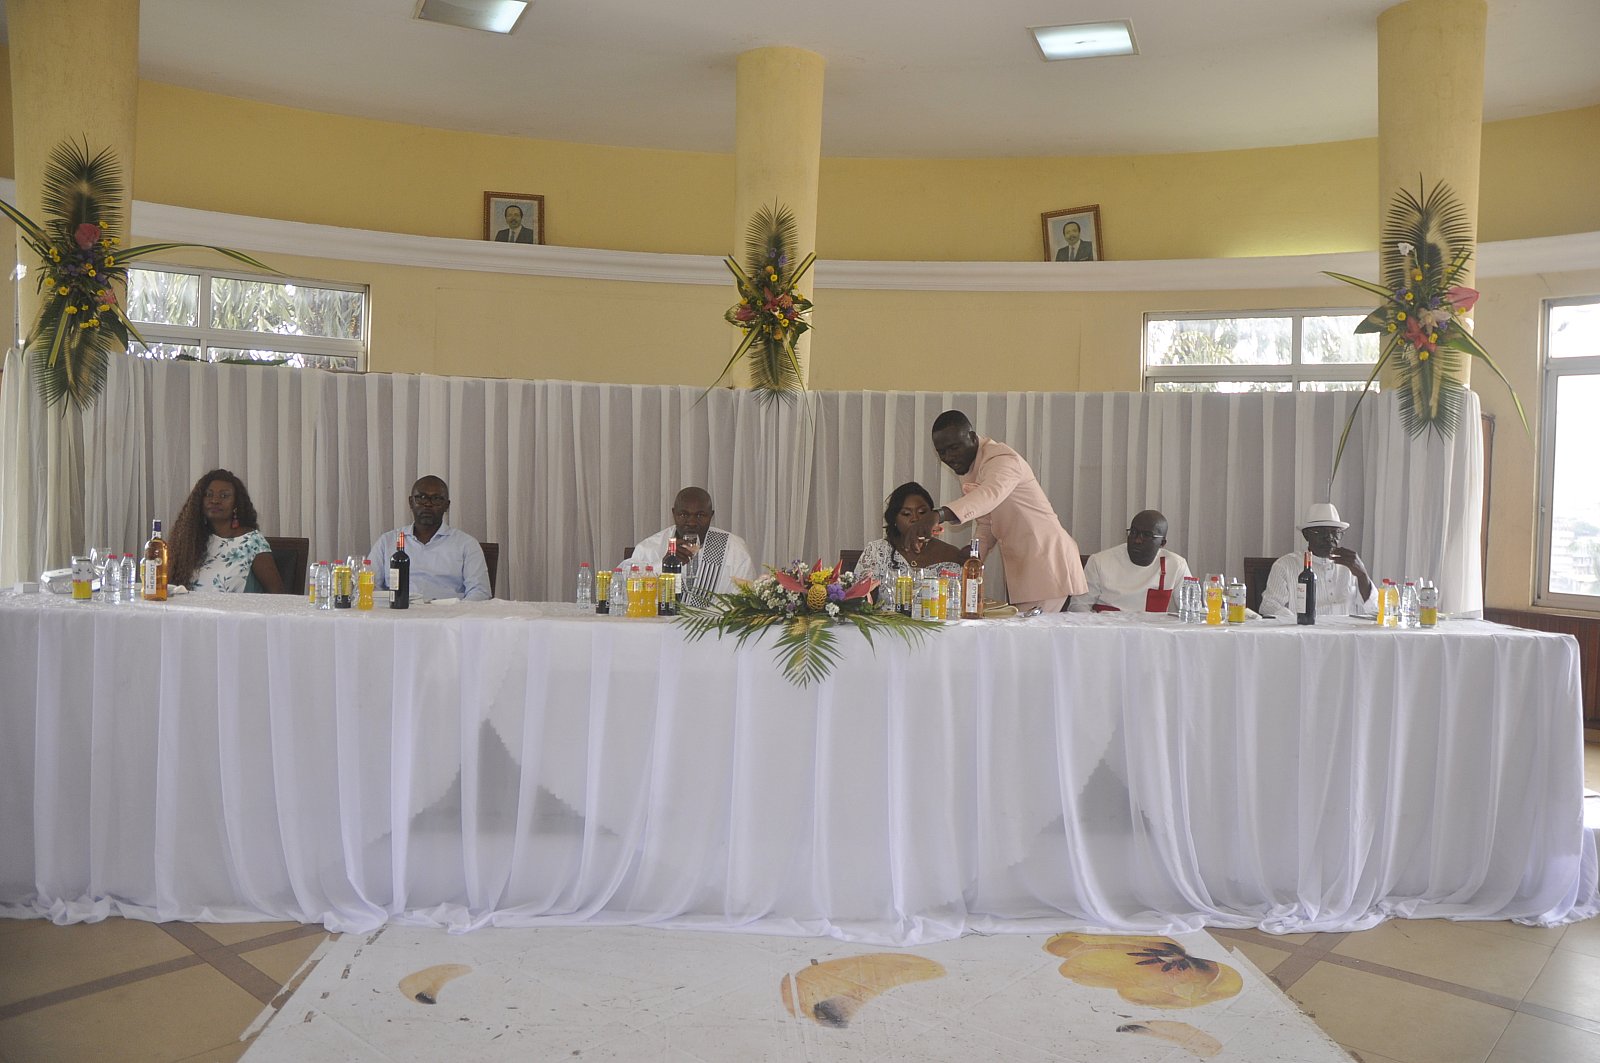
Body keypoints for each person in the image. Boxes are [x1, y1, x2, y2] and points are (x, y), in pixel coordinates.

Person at [912, 410, 1088, 613]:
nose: (948, 457)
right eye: (941, 452)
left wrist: (939, 515)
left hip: (1047, 563)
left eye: (954, 448)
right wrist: (976, 552)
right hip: (1027, 570)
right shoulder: (970, 466)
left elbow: (988, 496)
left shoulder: (1003, 460)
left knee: (1035, 633)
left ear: (972, 437)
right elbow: (987, 520)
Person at [368, 475, 492, 601]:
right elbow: (369, 586)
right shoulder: (387, 542)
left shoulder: (466, 544)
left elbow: (480, 591)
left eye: (436, 499)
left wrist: (456, 612)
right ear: (411, 502)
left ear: (446, 505)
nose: (428, 504)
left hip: (448, 612)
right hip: (398, 610)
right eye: (421, 498)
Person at [627, 486, 756, 603]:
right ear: (674, 514)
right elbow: (626, 589)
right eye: (684, 514)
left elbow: (745, 600)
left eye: (700, 515)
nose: (692, 522)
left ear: (711, 516)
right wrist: (663, 565)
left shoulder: (734, 548)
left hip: (715, 621)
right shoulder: (650, 547)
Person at [167, 469, 285, 593]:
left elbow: (277, 593)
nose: (215, 500)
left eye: (224, 496)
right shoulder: (189, 541)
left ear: (236, 503)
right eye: (208, 494)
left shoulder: (252, 542)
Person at [1260, 502, 1375, 618]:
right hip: (1304, 628)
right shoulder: (1285, 565)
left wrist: (1362, 575)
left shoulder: (1351, 565)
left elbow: (1375, 610)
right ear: (1306, 535)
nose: (1329, 538)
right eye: (1321, 532)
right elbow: (1269, 606)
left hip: (1347, 629)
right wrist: (1297, 622)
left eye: (1335, 532)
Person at [1069, 509, 1190, 613]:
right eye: (1133, 532)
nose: (1137, 540)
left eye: (1146, 535)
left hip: (1152, 631)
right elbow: (1078, 606)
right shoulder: (1099, 562)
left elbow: (1191, 610)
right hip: (1108, 630)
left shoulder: (1176, 565)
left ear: (1162, 543)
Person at [856, 482, 967, 587]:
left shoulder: (951, 554)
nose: (915, 519)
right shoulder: (877, 551)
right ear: (894, 519)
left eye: (922, 512)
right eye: (906, 514)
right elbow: (860, 597)